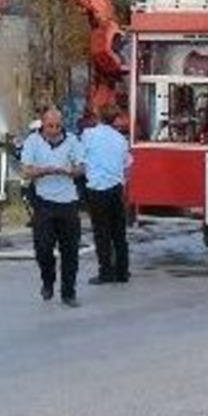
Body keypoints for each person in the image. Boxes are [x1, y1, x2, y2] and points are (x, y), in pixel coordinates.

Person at [20, 107, 84, 306]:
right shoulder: (32, 141)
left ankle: (68, 293)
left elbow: (82, 168)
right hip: (44, 202)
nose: (54, 130)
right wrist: (44, 171)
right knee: (43, 248)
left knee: (70, 250)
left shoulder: (72, 140)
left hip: (68, 202)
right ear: (43, 124)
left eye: (57, 126)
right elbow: (25, 171)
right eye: (50, 126)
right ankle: (48, 281)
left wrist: (70, 171)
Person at [80, 104, 133, 283]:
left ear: (98, 116)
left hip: (96, 189)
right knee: (119, 232)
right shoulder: (121, 139)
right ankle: (122, 271)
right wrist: (122, 182)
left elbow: (80, 158)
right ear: (115, 119)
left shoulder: (88, 135)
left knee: (101, 232)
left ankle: (106, 271)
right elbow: (128, 165)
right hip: (116, 188)